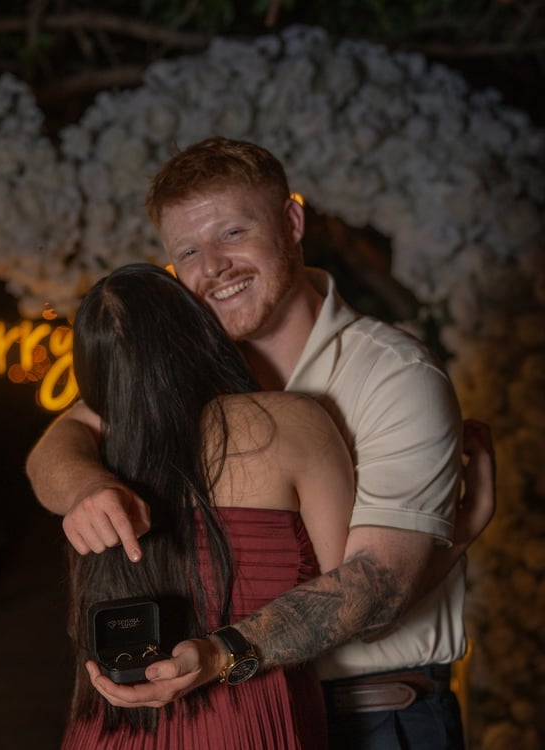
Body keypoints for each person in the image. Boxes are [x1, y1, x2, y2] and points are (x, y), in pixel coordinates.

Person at [27, 137, 496, 750]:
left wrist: (225, 656)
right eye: (189, 250)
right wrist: (88, 488)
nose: (213, 267)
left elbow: (375, 592)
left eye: (232, 234)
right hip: (231, 715)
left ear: (291, 223)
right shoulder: (184, 372)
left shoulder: (393, 375)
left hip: (378, 714)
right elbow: (59, 441)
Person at [61, 262, 354, 749]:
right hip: (251, 721)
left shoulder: (89, 472)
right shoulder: (293, 423)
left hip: (110, 728)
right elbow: (352, 600)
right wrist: (461, 532)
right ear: (198, 332)